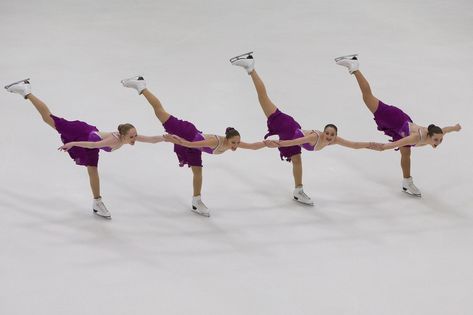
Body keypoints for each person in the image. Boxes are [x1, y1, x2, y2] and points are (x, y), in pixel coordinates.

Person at [231, 52, 379, 205]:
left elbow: (353, 145)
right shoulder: (315, 137)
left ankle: (298, 190)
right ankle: (251, 66)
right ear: (323, 132)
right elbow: (296, 141)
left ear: (335, 136)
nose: (328, 136)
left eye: (331, 135)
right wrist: (279, 143)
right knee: (263, 98)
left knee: (294, 159)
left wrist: (371, 145)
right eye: (327, 133)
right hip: (287, 127)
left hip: (291, 129)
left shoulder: (333, 141)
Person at [5, 78, 164, 219]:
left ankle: (97, 202)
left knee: (93, 170)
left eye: (135, 135)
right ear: (122, 135)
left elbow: (150, 140)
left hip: (90, 138)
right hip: (82, 134)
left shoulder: (127, 137)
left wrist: (167, 138)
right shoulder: (113, 139)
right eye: (132, 136)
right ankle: (26, 90)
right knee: (49, 119)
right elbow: (93, 145)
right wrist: (72, 144)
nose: (135, 139)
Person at [121, 76, 267, 217]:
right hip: (187, 133)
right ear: (228, 139)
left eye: (237, 143)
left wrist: (268, 144)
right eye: (233, 143)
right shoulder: (214, 142)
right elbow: (190, 144)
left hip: (194, 145)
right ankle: (142, 86)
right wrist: (175, 140)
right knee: (159, 111)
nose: (235, 146)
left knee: (197, 172)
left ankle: (196, 201)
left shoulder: (233, 143)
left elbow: (253, 146)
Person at [335, 54, 461, 196]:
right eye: (436, 140)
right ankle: (354, 67)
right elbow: (396, 144)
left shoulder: (436, 133)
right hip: (394, 118)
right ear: (430, 136)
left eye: (440, 140)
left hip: (403, 124)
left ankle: (407, 181)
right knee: (367, 96)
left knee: (406, 154)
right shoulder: (416, 138)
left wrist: (455, 128)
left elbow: (445, 130)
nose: (438, 142)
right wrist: (382, 147)